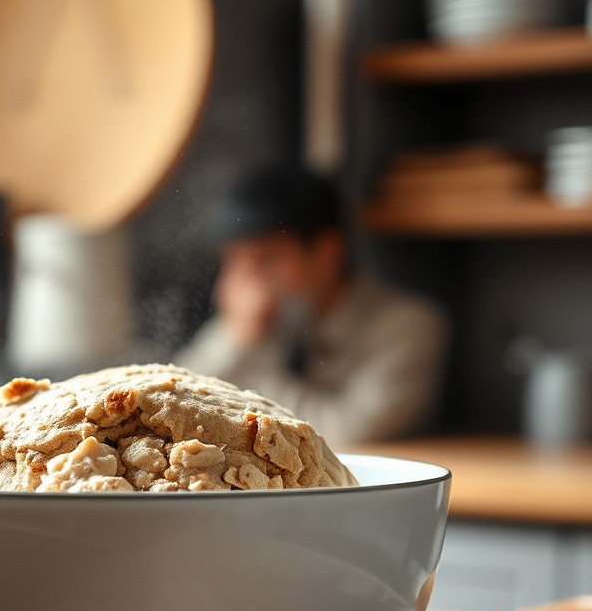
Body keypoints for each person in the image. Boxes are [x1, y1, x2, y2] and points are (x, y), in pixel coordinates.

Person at [174, 167, 448, 445]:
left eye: (268, 258)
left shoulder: (409, 325)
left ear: (326, 251)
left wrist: (249, 360)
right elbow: (176, 397)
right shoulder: (259, 319)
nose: (249, 283)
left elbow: (348, 432)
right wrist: (234, 338)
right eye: (234, 261)